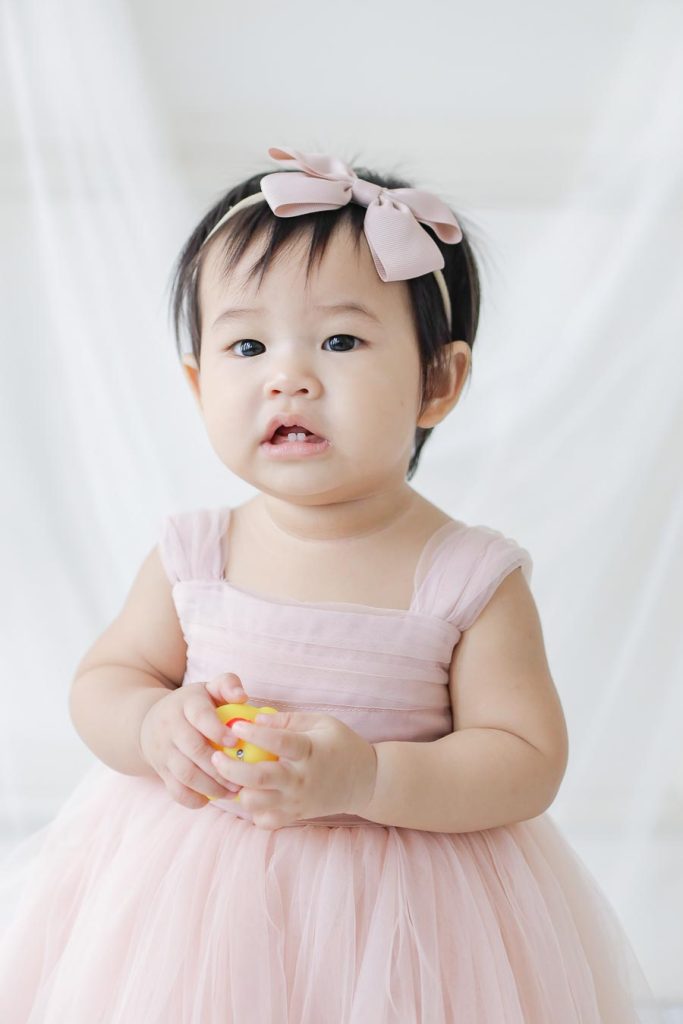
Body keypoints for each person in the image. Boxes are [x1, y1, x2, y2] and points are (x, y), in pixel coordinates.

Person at [0, 145, 660, 1022]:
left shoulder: (466, 578)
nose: (289, 375)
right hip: (190, 913)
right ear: (199, 387)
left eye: (340, 340)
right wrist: (155, 721)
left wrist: (368, 781)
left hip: (414, 924)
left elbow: (525, 760)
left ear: (437, 381)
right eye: (246, 344)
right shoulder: (196, 554)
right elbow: (104, 682)